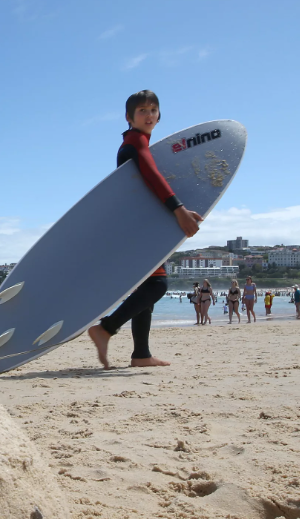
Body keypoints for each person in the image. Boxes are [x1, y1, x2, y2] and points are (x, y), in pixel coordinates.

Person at [88, 90, 202, 368]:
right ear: (129, 117)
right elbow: (152, 176)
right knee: (158, 284)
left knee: (146, 289)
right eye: (142, 110)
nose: (149, 114)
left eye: (153, 110)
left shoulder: (136, 142)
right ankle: (106, 328)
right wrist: (179, 209)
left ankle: (141, 355)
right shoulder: (135, 141)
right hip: (136, 229)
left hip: (135, 226)